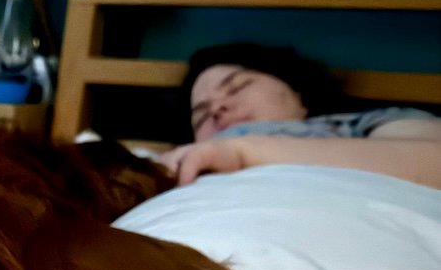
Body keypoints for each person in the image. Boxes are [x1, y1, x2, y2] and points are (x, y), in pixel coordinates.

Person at [159, 42, 441, 188]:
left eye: (238, 86)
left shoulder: (367, 125)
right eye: (201, 116)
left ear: (297, 91)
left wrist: (244, 152)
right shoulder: (182, 160)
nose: (217, 109)